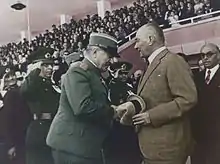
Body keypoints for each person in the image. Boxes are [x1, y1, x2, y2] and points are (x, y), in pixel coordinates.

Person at [117, 22, 197, 164]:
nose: (135, 46)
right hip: (153, 149)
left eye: (137, 41)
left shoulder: (172, 61)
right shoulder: (151, 64)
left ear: (150, 39)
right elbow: (152, 98)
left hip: (168, 151)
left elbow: (188, 98)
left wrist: (151, 116)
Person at [46, 33, 120, 164]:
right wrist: (112, 111)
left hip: (82, 145)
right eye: (109, 56)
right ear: (95, 52)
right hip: (73, 146)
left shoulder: (94, 73)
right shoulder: (78, 72)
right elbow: (82, 107)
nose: (113, 61)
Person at [21, 47, 60, 164]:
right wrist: (33, 72)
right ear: (37, 67)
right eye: (45, 65)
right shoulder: (33, 83)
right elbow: (25, 91)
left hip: (53, 128)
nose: (50, 68)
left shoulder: (51, 84)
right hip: (39, 131)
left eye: (51, 65)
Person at [191, 43, 220, 164]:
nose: (205, 58)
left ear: (218, 55)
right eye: (203, 55)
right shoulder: (196, 78)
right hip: (199, 135)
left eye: (209, 54)